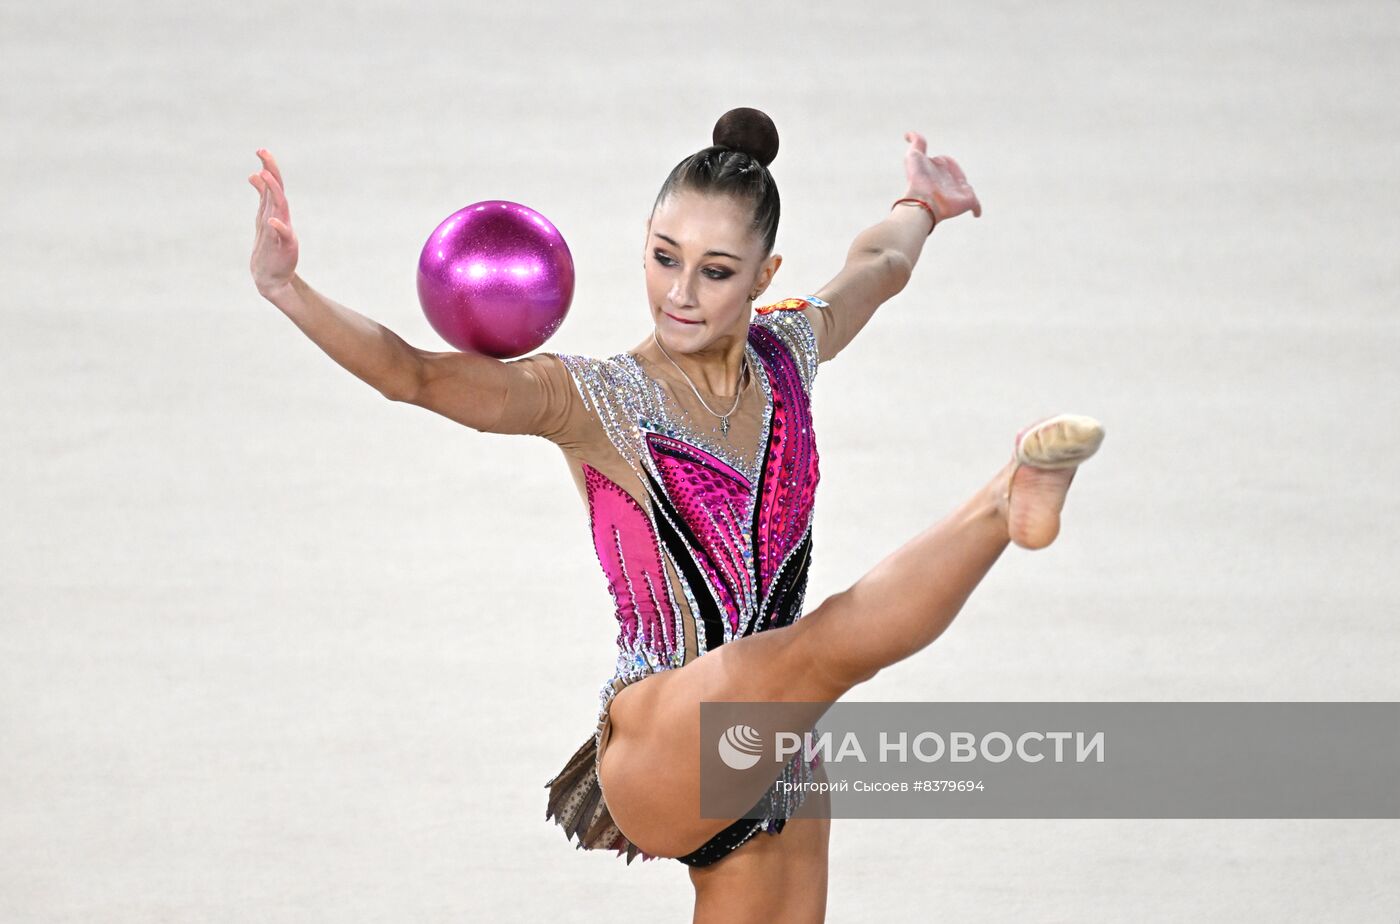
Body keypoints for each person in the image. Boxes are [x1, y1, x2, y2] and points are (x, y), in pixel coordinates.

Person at [246, 107, 1104, 923]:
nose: (680, 293)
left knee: (798, 690)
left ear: (764, 276)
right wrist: (290, 290)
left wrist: (923, 201)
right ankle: (1001, 505)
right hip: (659, 740)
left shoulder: (789, 349)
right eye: (664, 257)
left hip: (777, 746)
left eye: (716, 271)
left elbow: (878, 265)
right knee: (819, 649)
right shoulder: (595, 398)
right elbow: (416, 375)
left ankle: (1000, 510)